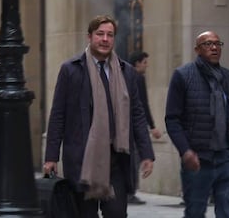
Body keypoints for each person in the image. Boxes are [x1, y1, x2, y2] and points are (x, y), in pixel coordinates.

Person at [43, 15, 155, 218]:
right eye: (100, 34)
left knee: (117, 213)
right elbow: (58, 114)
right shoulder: (71, 70)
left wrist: (147, 153)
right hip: (82, 159)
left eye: (110, 35)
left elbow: (137, 114)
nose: (105, 39)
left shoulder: (126, 72)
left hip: (117, 161)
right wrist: (51, 156)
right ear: (89, 37)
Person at [165, 31, 229, 218]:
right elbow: (172, 119)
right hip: (198, 158)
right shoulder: (183, 76)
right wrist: (185, 151)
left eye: (218, 44)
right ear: (197, 49)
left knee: (228, 212)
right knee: (195, 212)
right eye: (208, 44)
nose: (214, 48)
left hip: (226, 156)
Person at [127, 51, 161, 205]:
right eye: (145, 62)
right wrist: (152, 126)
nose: (147, 65)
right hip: (134, 127)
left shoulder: (127, 75)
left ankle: (129, 191)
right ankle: (130, 192)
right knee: (134, 159)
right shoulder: (137, 78)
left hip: (128, 126)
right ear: (137, 63)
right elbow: (142, 104)